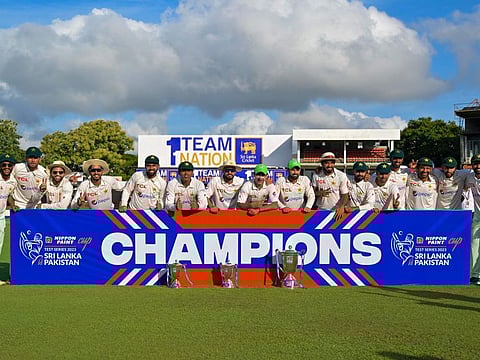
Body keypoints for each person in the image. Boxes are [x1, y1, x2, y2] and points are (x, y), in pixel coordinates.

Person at [312, 152, 349, 219]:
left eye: (332, 163)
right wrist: (318, 193)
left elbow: (345, 194)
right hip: (321, 210)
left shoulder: (341, 175)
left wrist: (342, 206)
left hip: (337, 210)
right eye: (326, 163)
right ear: (322, 164)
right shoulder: (316, 175)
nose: (329, 165)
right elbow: (311, 192)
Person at [0, 154, 16, 285]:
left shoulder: (13, 181)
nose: (6, 167)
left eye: (9, 165)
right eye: (4, 165)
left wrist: (13, 204)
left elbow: (9, 195)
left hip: (1, 217)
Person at [465, 153, 480, 285]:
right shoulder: (469, 176)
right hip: (478, 216)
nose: (478, 166)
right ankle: (475, 275)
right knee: (474, 244)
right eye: (475, 164)